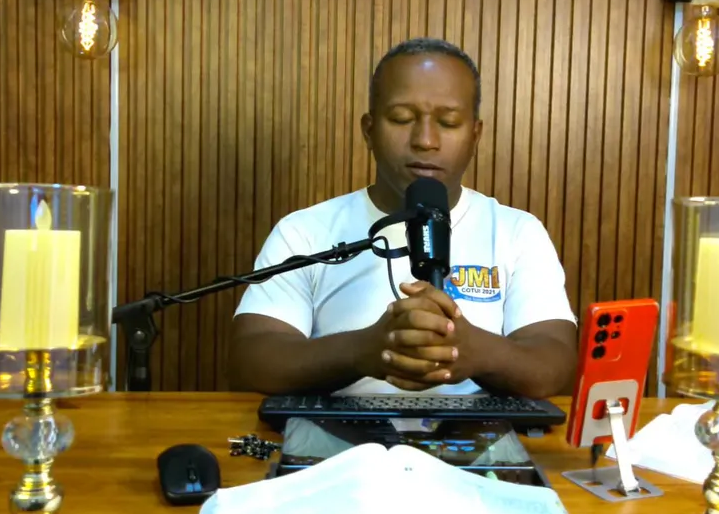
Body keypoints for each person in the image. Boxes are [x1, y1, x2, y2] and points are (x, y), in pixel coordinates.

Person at [227, 38, 577, 398]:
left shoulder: (518, 233)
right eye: (401, 119)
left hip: (478, 432)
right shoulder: (304, 232)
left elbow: (554, 362)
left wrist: (475, 351)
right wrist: (368, 349)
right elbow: (254, 358)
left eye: (448, 122)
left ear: (475, 136)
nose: (425, 140)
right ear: (369, 131)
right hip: (335, 433)